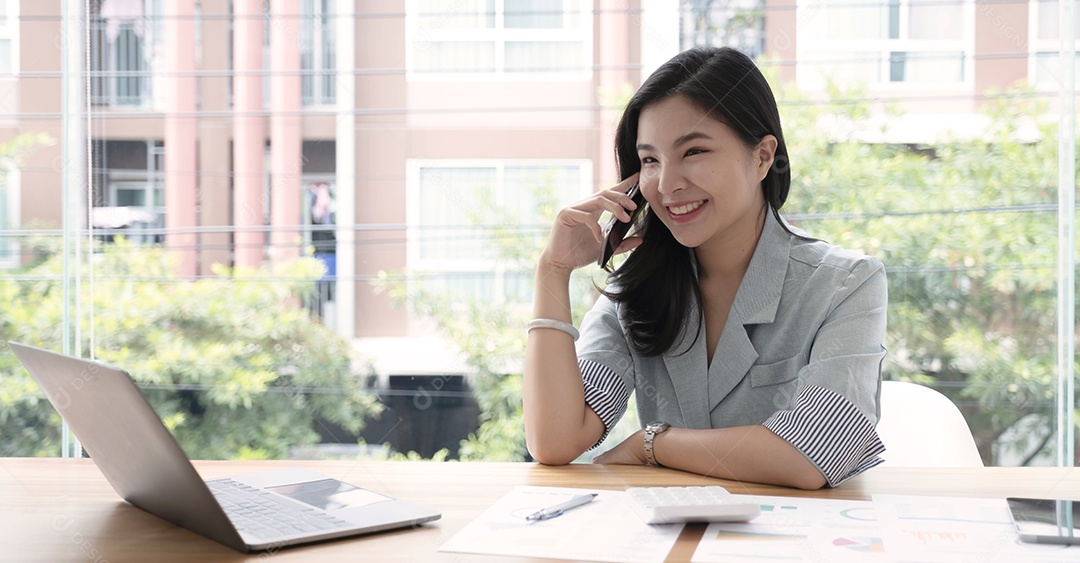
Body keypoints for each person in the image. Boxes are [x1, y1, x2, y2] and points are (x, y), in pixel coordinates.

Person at [522, 46, 887, 490]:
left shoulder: (844, 284)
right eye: (651, 160)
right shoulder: (639, 287)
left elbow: (814, 454)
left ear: (762, 157)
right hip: (674, 545)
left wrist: (651, 445)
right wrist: (553, 270)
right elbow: (554, 440)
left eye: (693, 151)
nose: (668, 184)